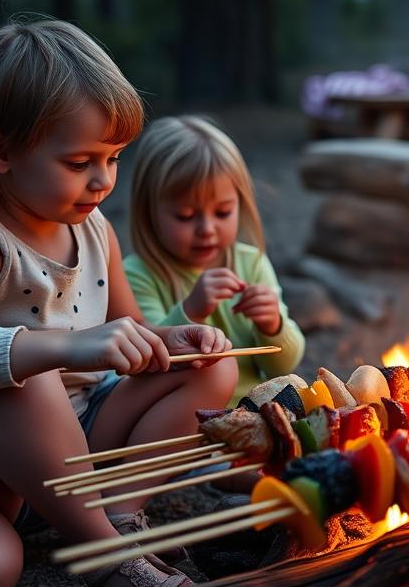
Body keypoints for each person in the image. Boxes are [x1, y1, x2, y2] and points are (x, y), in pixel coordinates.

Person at [0, 19, 240, 587]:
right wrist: (54, 349)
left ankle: (116, 525)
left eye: (114, 157)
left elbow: (133, 335)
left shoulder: (92, 229)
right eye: (79, 161)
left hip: (78, 439)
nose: (103, 180)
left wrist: (172, 339)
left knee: (211, 366)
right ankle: (104, 558)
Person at [125, 115, 305, 407]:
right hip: (186, 418)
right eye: (185, 216)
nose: (207, 229)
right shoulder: (137, 274)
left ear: (240, 203)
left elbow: (283, 366)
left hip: (256, 412)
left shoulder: (251, 263)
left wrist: (273, 325)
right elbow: (146, 365)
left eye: (222, 213)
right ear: (149, 212)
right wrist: (190, 312)